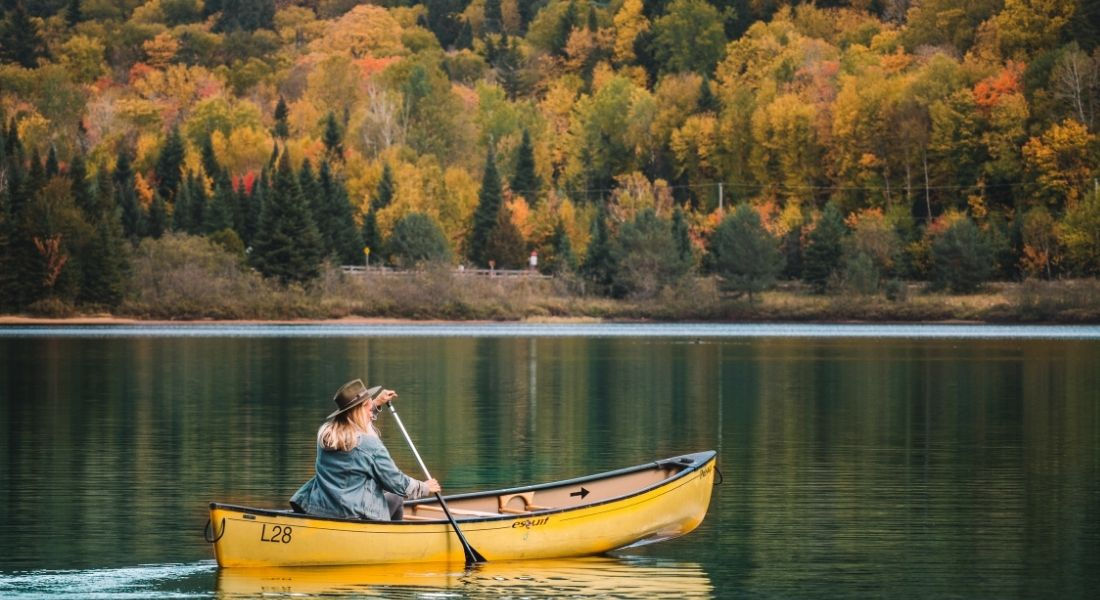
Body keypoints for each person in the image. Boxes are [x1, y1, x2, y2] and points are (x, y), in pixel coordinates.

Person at [290, 380, 441, 521]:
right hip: (355, 515)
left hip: (321, 509)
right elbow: (396, 483)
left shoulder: (326, 434)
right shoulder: (370, 445)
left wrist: (376, 404)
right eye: (368, 406)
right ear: (358, 411)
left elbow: (354, 421)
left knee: (392, 496)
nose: (371, 410)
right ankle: (389, 541)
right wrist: (424, 487)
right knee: (396, 496)